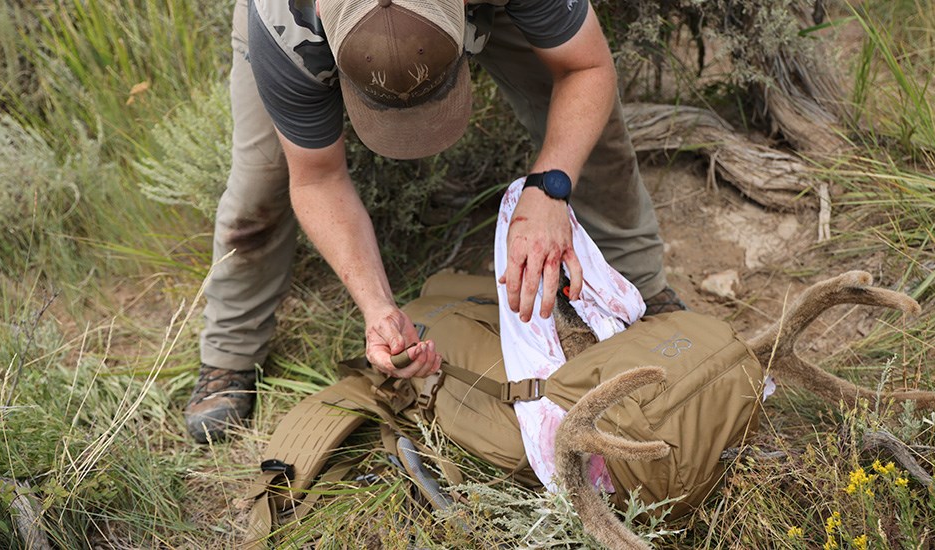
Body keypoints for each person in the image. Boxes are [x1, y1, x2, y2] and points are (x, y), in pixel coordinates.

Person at [184, 0, 686, 444]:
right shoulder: (285, 24)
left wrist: (549, 188)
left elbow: (585, 68)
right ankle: (230, 348)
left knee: (581, 127)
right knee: (260, 186)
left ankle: (640, 284)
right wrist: (378, 308)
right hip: (302, 36)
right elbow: (317, 179)